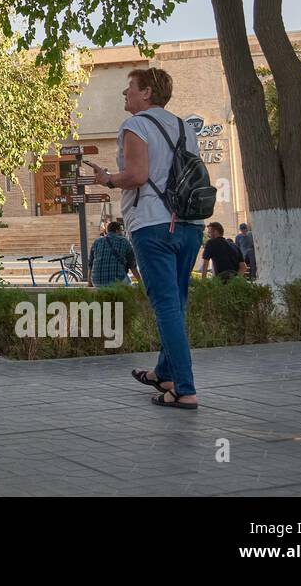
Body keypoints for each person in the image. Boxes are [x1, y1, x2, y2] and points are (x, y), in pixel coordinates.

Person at [85, 68, 205, 411]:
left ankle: (184, 389)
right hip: (190, 224)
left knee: (165, 305)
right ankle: (165, 374)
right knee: (177, 301)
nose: (125, 95)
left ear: (147, 93)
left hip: (153, 225)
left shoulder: (134, 125)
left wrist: (107, 179)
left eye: (130, 90)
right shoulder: (185, 127)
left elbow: (137, 176)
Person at [88, 218, 140, 286]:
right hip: (117, 282)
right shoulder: (124, 241)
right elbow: (132, 265)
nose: (122, 232)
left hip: (97, 282)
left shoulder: (97, 242)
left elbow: (90, 264)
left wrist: (89, 283)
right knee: (130, 284)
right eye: (121, 230)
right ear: (117, 231)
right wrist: (141, 282)